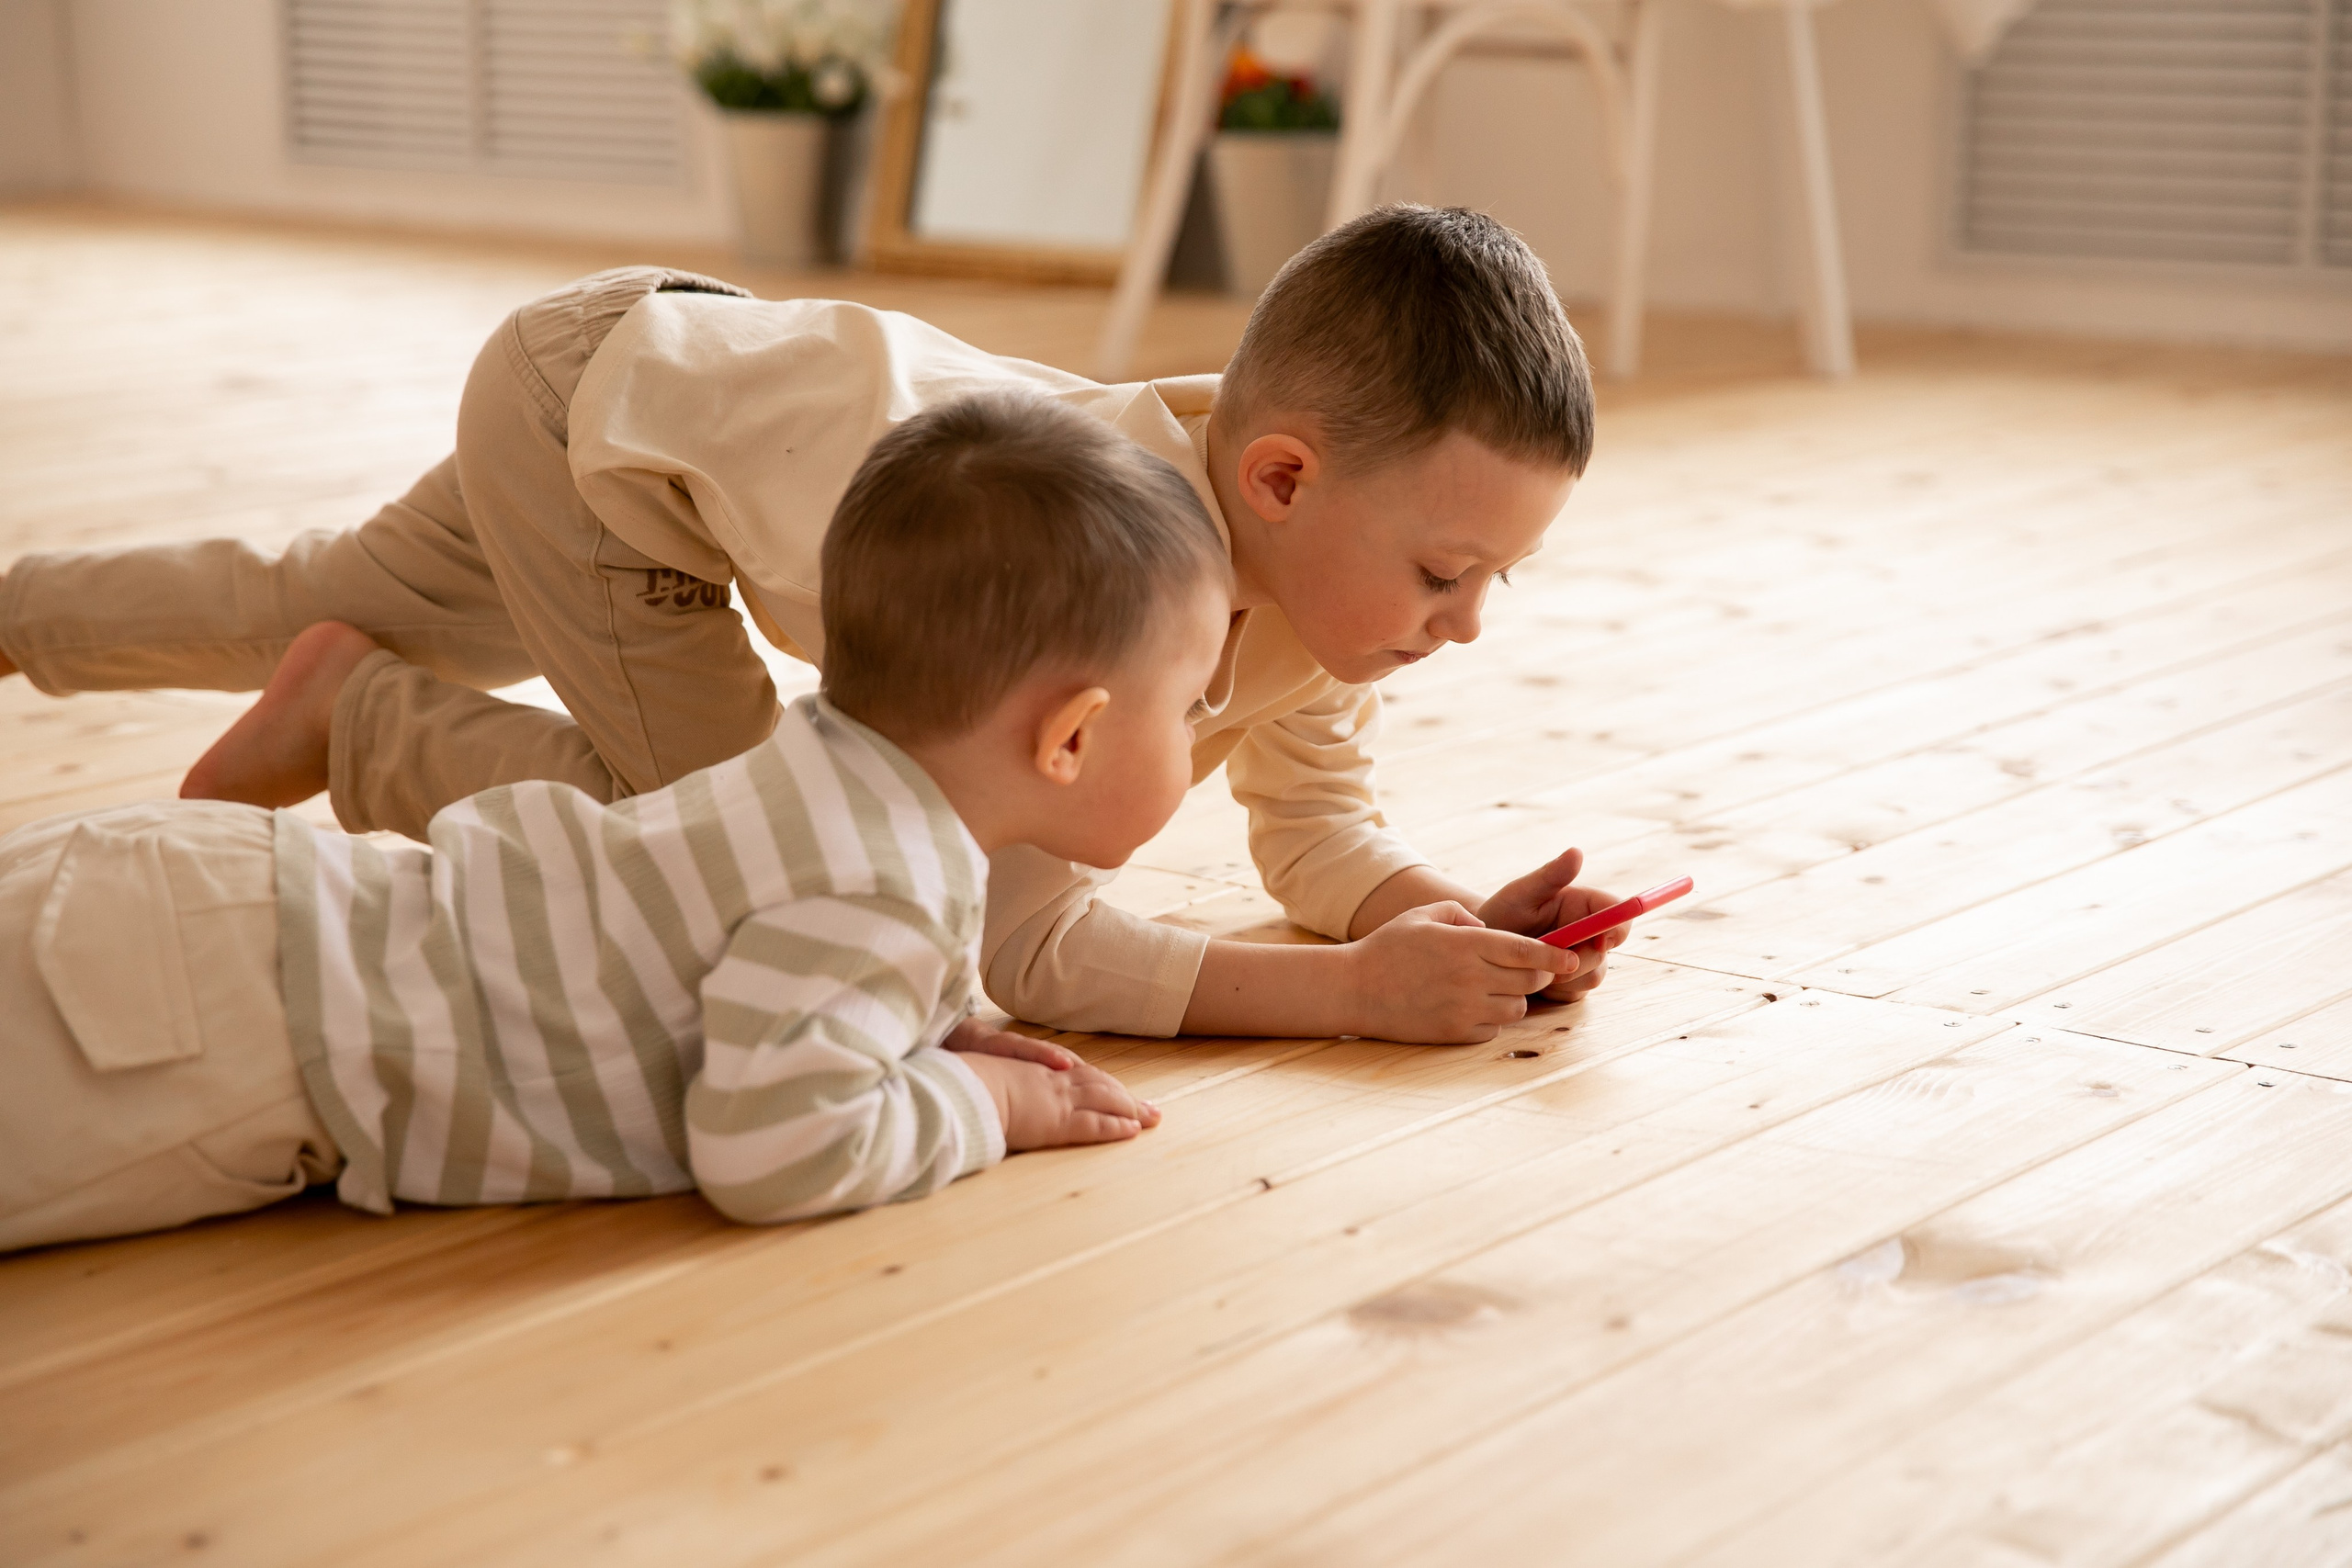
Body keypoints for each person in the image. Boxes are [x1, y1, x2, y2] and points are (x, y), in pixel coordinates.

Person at [0, 204, 1623, 1048]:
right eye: (1443, 576)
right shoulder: (1106, 579)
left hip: (660, 385)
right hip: (605, 430)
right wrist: (1345, 1000)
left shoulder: (1327, 601)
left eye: (1499, 581)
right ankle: (362, 720)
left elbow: (1321, 823)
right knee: (761, 877)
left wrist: (1450, 925)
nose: (1466, 625)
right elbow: (1004, 944)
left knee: (300, 590)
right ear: (1278, 478)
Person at [0, 392, 1224, 1254]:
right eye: (1191, 701)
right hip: (223, 1037)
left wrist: (919, 1032)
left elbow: (716, 952)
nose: (1207, 722)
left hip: (236, 898)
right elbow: (775, 1149)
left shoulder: (816, 765)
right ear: (1070, 736)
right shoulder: (886, 891)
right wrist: (985, 1111)